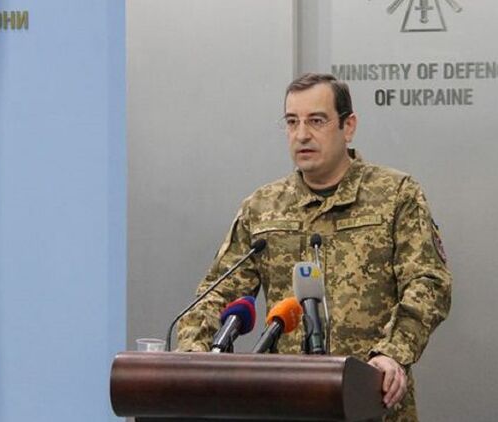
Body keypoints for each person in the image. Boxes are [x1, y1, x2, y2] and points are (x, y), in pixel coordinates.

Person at [177, 73, 452, 422]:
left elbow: (429, 283)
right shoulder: (262, 207)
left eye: (317, 121)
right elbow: (217, 295)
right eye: (292, 122)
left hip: (372, 401)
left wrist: (392, 353)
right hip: (286, 403)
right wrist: (192, 354)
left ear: (348, 127)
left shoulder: (396, 195)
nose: (302, 134)